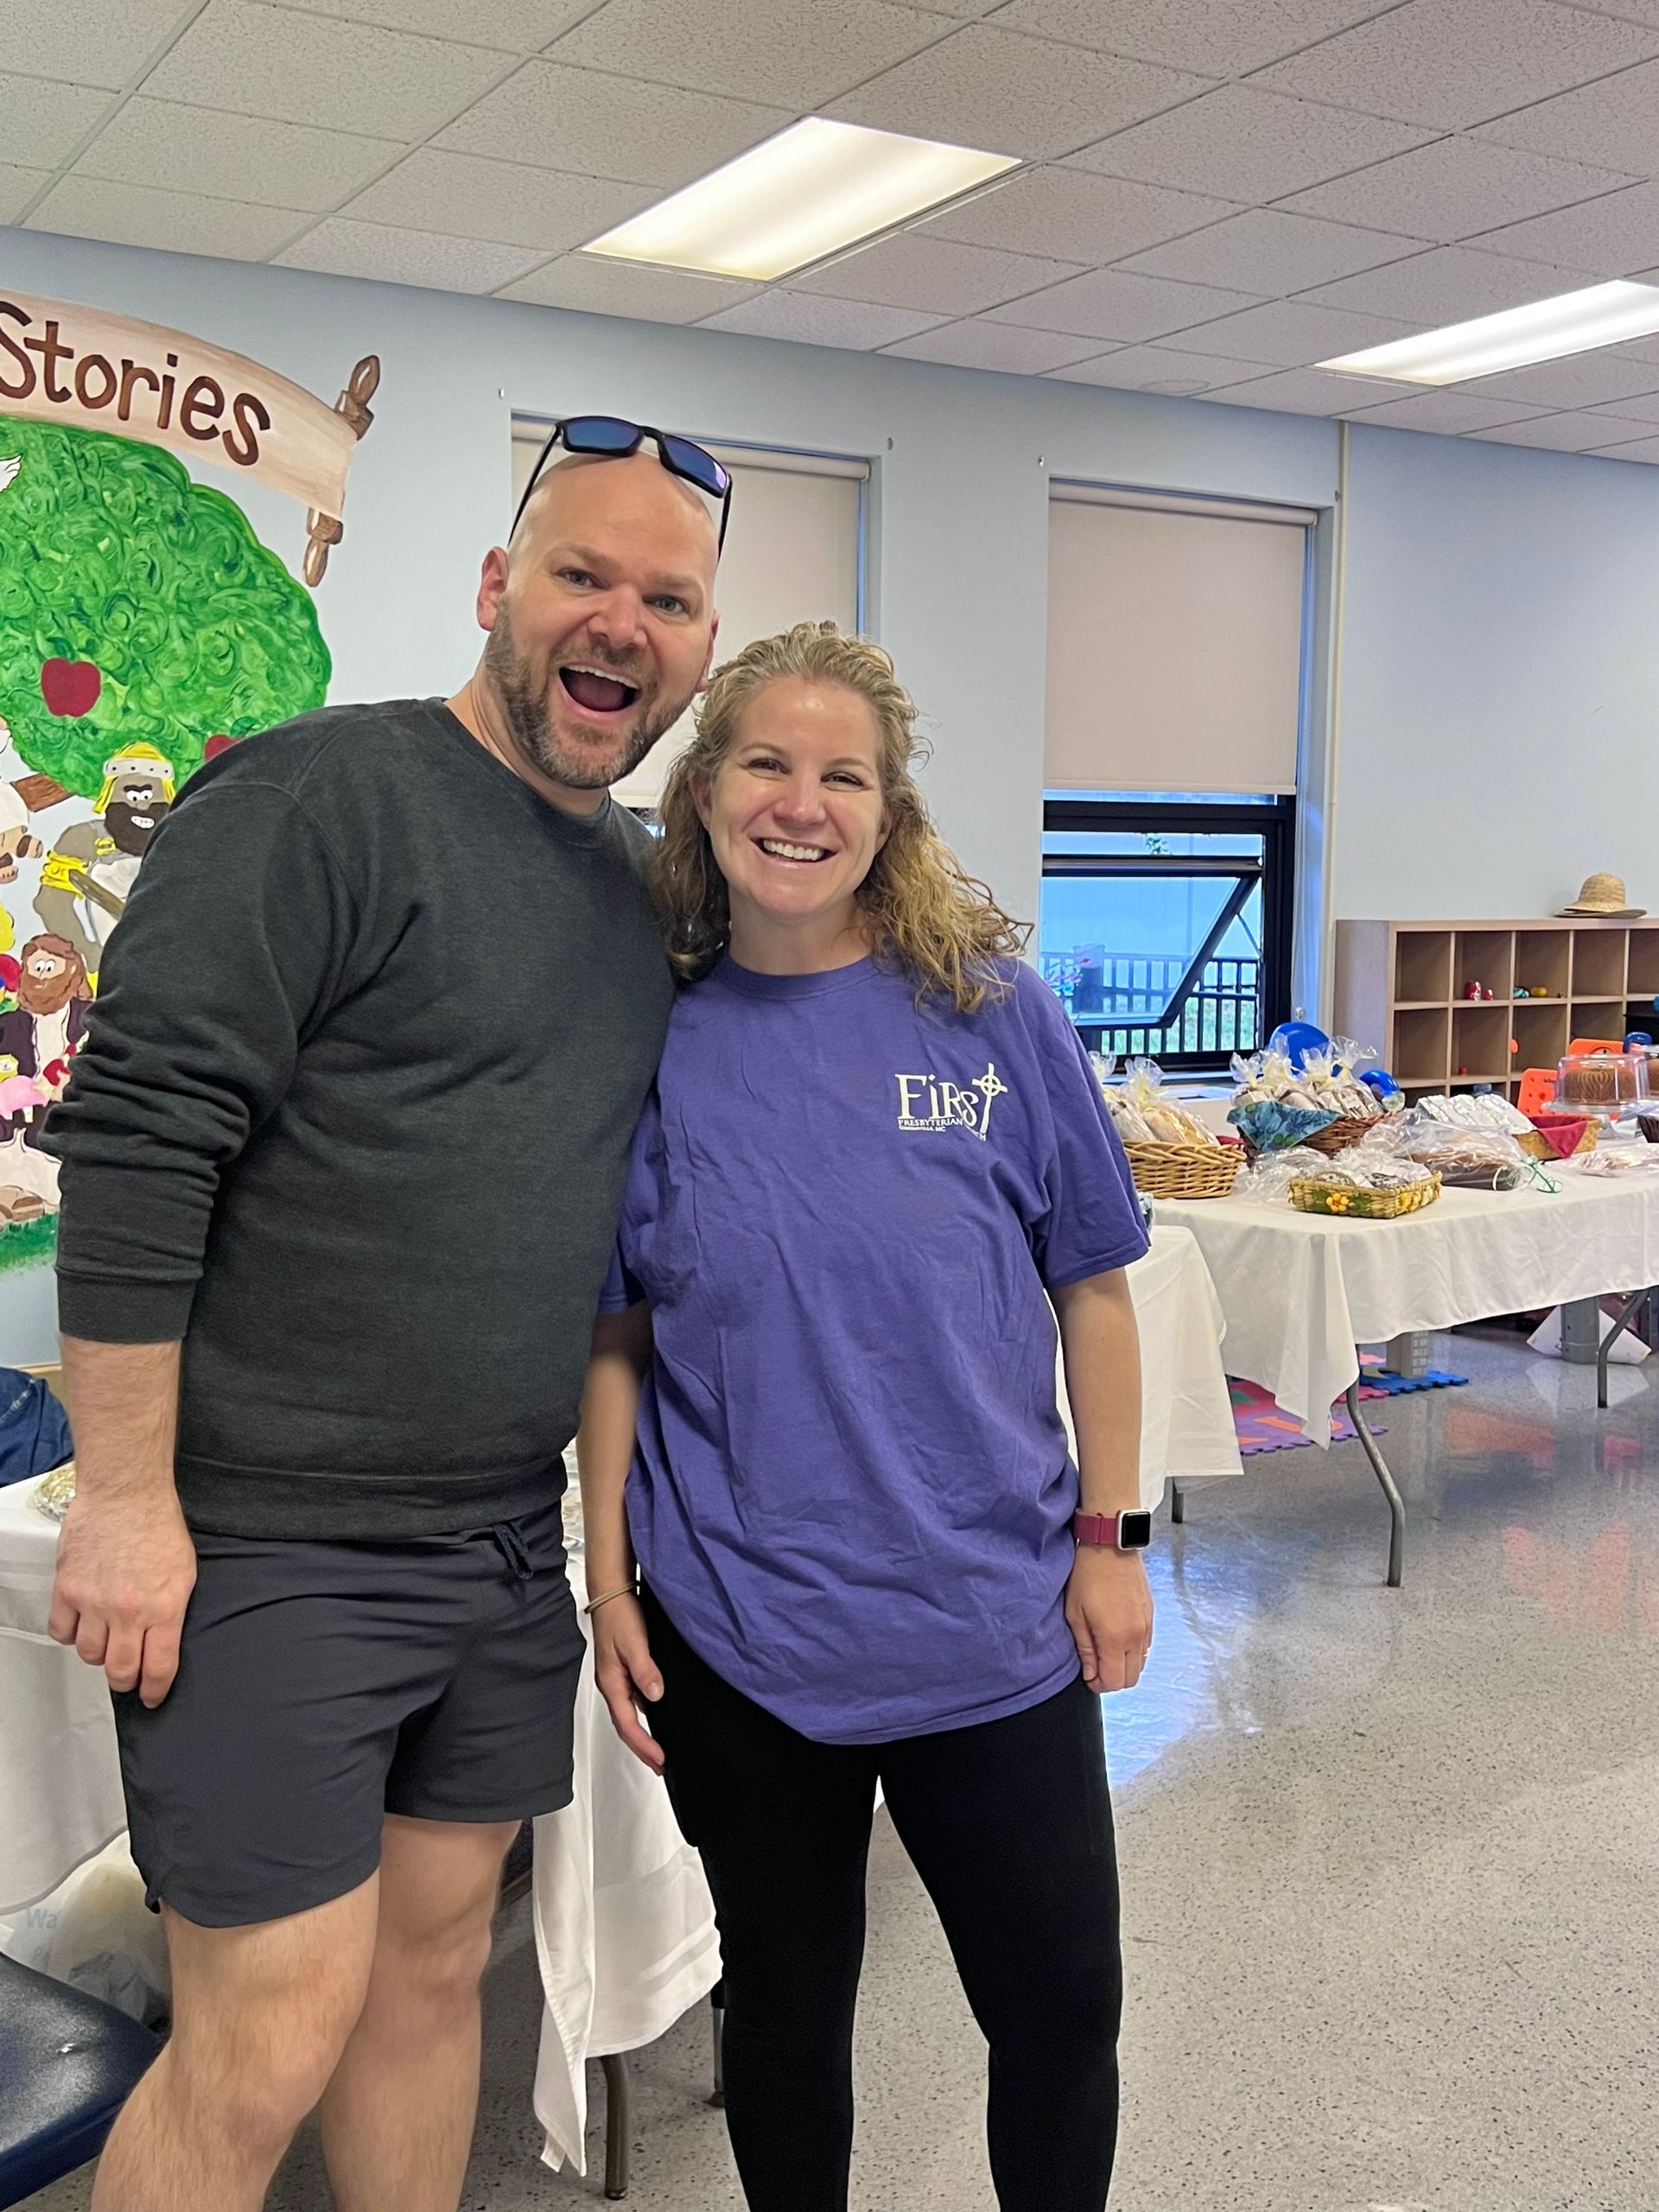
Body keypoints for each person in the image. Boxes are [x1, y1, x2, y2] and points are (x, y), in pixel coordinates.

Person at [41, 416, 728, 2212]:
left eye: (668, 595)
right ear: (501, 588)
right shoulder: (314, 796)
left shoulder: (646, 885)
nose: (620, 622)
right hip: (272, 1538)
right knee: (266, 2023)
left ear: (698, 647)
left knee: (432, 1989)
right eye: (584, 573)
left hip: (496, 1551)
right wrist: (124, 1498)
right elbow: (137, 1137)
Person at [579, 621, 1154, 2212]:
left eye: (847, 774)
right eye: (766, 761)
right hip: (747, 1637)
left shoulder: (992, 1015)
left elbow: (1094, 1292)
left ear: (890, 816)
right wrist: (610, 1578)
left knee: (1058, 2013)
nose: (802, 801)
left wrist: (1111, 1538)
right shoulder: (654, 1045)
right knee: (784, 2019)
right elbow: (616, 1330)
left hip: (997, 1623)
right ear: (703, 794)